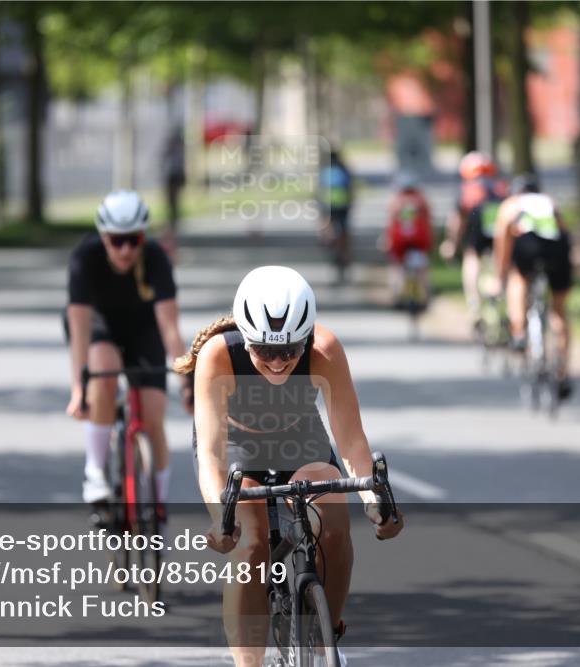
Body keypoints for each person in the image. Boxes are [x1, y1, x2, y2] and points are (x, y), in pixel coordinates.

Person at [175, 265, 403, 667]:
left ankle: (325, 642)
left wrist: (373, 501)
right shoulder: (218, 355)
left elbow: (350, 440)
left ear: (307, 338)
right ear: (246, 340)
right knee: (250, 542)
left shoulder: (325, 349)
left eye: (289, 351)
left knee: (333, 518)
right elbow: (210, 452)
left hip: (300, 441)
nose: (278, 362)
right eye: (264, 350)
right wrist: (220, 518)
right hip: (236, 446)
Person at [65, 190, 192, 504]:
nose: (123, 250)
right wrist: (79, 388)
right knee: (104, 376)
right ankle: (94, 471)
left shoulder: (156, 259)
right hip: (99, 325)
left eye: (132, 240)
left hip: (142, 327)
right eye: (114, 240)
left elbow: (169, 327)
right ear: (102, 237)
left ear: (143, 236)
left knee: (153, 415)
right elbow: (79, 328)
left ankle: (157, 508)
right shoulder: (85, 258)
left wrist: (186, 381)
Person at [492, 174, 574, 400]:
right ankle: (562, 371)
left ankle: (518, 331)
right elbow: (564, 234)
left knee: (518, 278)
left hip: (529, 247)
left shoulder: (511, 204)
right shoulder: (549, 202)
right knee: (559, 311)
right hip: (558, 250)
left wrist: (500, 277)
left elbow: (503, 243)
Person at [441, 151, 506, 324]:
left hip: (478, 224)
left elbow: (458, 220)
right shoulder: (500, 187)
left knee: (472, 257)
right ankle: (498, 293)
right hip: (499, 224)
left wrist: (452, 243)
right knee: (498, 258)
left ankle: (475, 304)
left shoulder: (467, 189)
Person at [384, 172, 433, 311]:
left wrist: (387, 240)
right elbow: (428, 221)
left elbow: (391, 222)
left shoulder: (396, 201)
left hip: (399, 239)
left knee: (397, 266)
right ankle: (425, 295)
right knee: (423, 267)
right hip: (419, 238)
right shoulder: (421, 201)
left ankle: (396, 295)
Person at [317, 149, 355, 283]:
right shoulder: (344, 169)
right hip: (343, 205)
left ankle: (328, 241)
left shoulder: (324, 171)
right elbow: (350, 188)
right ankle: (346, 255)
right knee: (345, 231)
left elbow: (319, 190)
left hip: (328, 205)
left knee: (327, 225)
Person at [161, 125, 186, 256]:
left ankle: (174, 220)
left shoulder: (179, 148)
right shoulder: (175, 147)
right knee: (171, 201)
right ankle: (172, 219)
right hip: (171, 177)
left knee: (174, 201)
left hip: (174, 176)